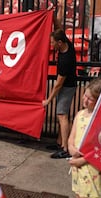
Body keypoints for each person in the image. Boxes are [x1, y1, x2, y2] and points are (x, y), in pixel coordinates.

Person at [67, 78, 101, 198]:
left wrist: (81, 160)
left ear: (99, 101)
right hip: (78, 165)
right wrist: (71, 149)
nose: (85, 100)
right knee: (79, 194)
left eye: (90, 99)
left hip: (91, 166)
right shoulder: (80, 114)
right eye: (85, 95)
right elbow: (72, 137)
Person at [43, 29, 77, 159]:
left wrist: (48, 100)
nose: (51, 45)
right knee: (60, 114)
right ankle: (59, 142)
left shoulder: (65, 60)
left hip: (67, 87)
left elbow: (58, 85)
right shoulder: (68, 44)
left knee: (62, 115)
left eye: (52, 42)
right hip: (65, 86)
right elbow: (58, 27)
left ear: (60, 42)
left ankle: (65, 148)